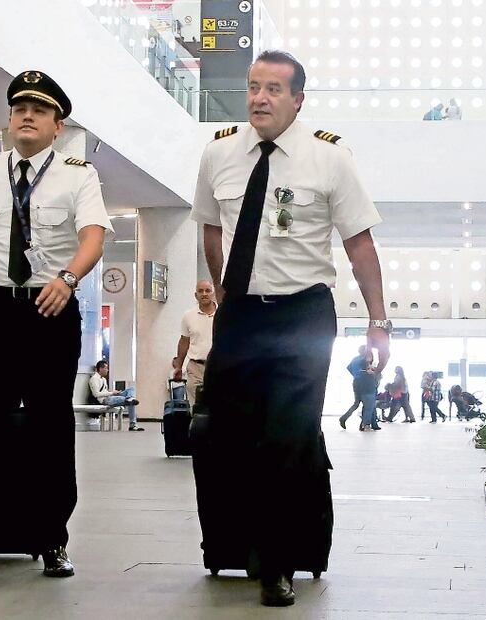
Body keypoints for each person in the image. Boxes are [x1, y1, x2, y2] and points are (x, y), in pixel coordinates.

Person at [191, 50, 390, 607]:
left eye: (274, 89)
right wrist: (222, 290)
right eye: (254, 87)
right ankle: (241, 543)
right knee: (233, 434)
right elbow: (210, 228)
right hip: (240, 313)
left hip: (302, 314)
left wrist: (378, 321)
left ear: (298, 100)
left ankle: (278, 563)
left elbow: (359, 243)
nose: (260, 98)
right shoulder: (219, 153)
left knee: (289, 435)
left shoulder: (330, 158)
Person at [0, 70, 112, 583]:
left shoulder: (78, 175)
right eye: (19, 109)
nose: (27, 116)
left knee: (49, 427)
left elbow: (93, 236)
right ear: (9, 119)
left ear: (58, 125)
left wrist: (69, 278)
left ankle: (51, 540)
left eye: (40, 110)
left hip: (50, 309)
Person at [172, 280, 217, 404]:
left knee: (218, 406)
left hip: (218, 367)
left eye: (208, 290)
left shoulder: (223, 314)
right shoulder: (189, 316)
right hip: (196, 368)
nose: (204, 294)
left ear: (213, 293)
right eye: (200, 291)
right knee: (197, 406)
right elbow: (184, 341)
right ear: (196, 295)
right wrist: (179, 366)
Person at [88, 360, 142, 431]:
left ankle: (129, 398)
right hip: (105, 400)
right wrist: (111, 393)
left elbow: (105, 391)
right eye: (106, 368)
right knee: (131, 401)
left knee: (131, 390)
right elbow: (96, 394)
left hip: (110, 397)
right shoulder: (94, 379)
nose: (107, 370)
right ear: (100, 369)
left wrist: (115, 392)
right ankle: (133, 425)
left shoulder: (103, 379)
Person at [340, 345, 373, 429]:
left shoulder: (355, 359)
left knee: (356, 403)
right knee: (366, 403)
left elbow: (348, 367)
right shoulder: (364, 360)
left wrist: (355, 375)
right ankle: (363, 424)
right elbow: (369, 370)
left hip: (355, 381)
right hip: (363, 382)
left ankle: (344, 418)